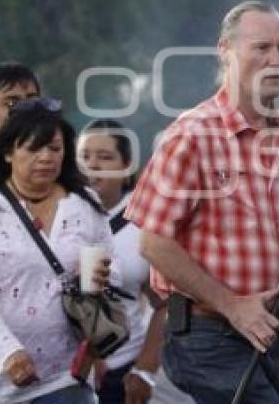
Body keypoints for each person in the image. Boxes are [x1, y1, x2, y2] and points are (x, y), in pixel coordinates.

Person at [126, 0, 279, 403]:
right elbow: (153, 243)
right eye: (261, 48)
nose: (276, 59)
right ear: (225, 51)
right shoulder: (192, 134)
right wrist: (233, 305)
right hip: (208, 336)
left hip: (270, 333)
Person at [0, 97, 111, 403]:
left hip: (62, 375)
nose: (46, 157)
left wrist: (94, 283)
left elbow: (107, 268)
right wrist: (9, 353)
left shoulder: (86, 204)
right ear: (8, 152)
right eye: (33, 148)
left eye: (55, 149)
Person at [78, 119, 192, 404]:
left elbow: (168, 301)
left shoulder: (143, 225)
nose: (92, 165)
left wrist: (144, 369)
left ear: (127, 166)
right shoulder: (55, 213)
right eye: (84, 157)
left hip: (120, 371)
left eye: (105, 157)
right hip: (58, 372)